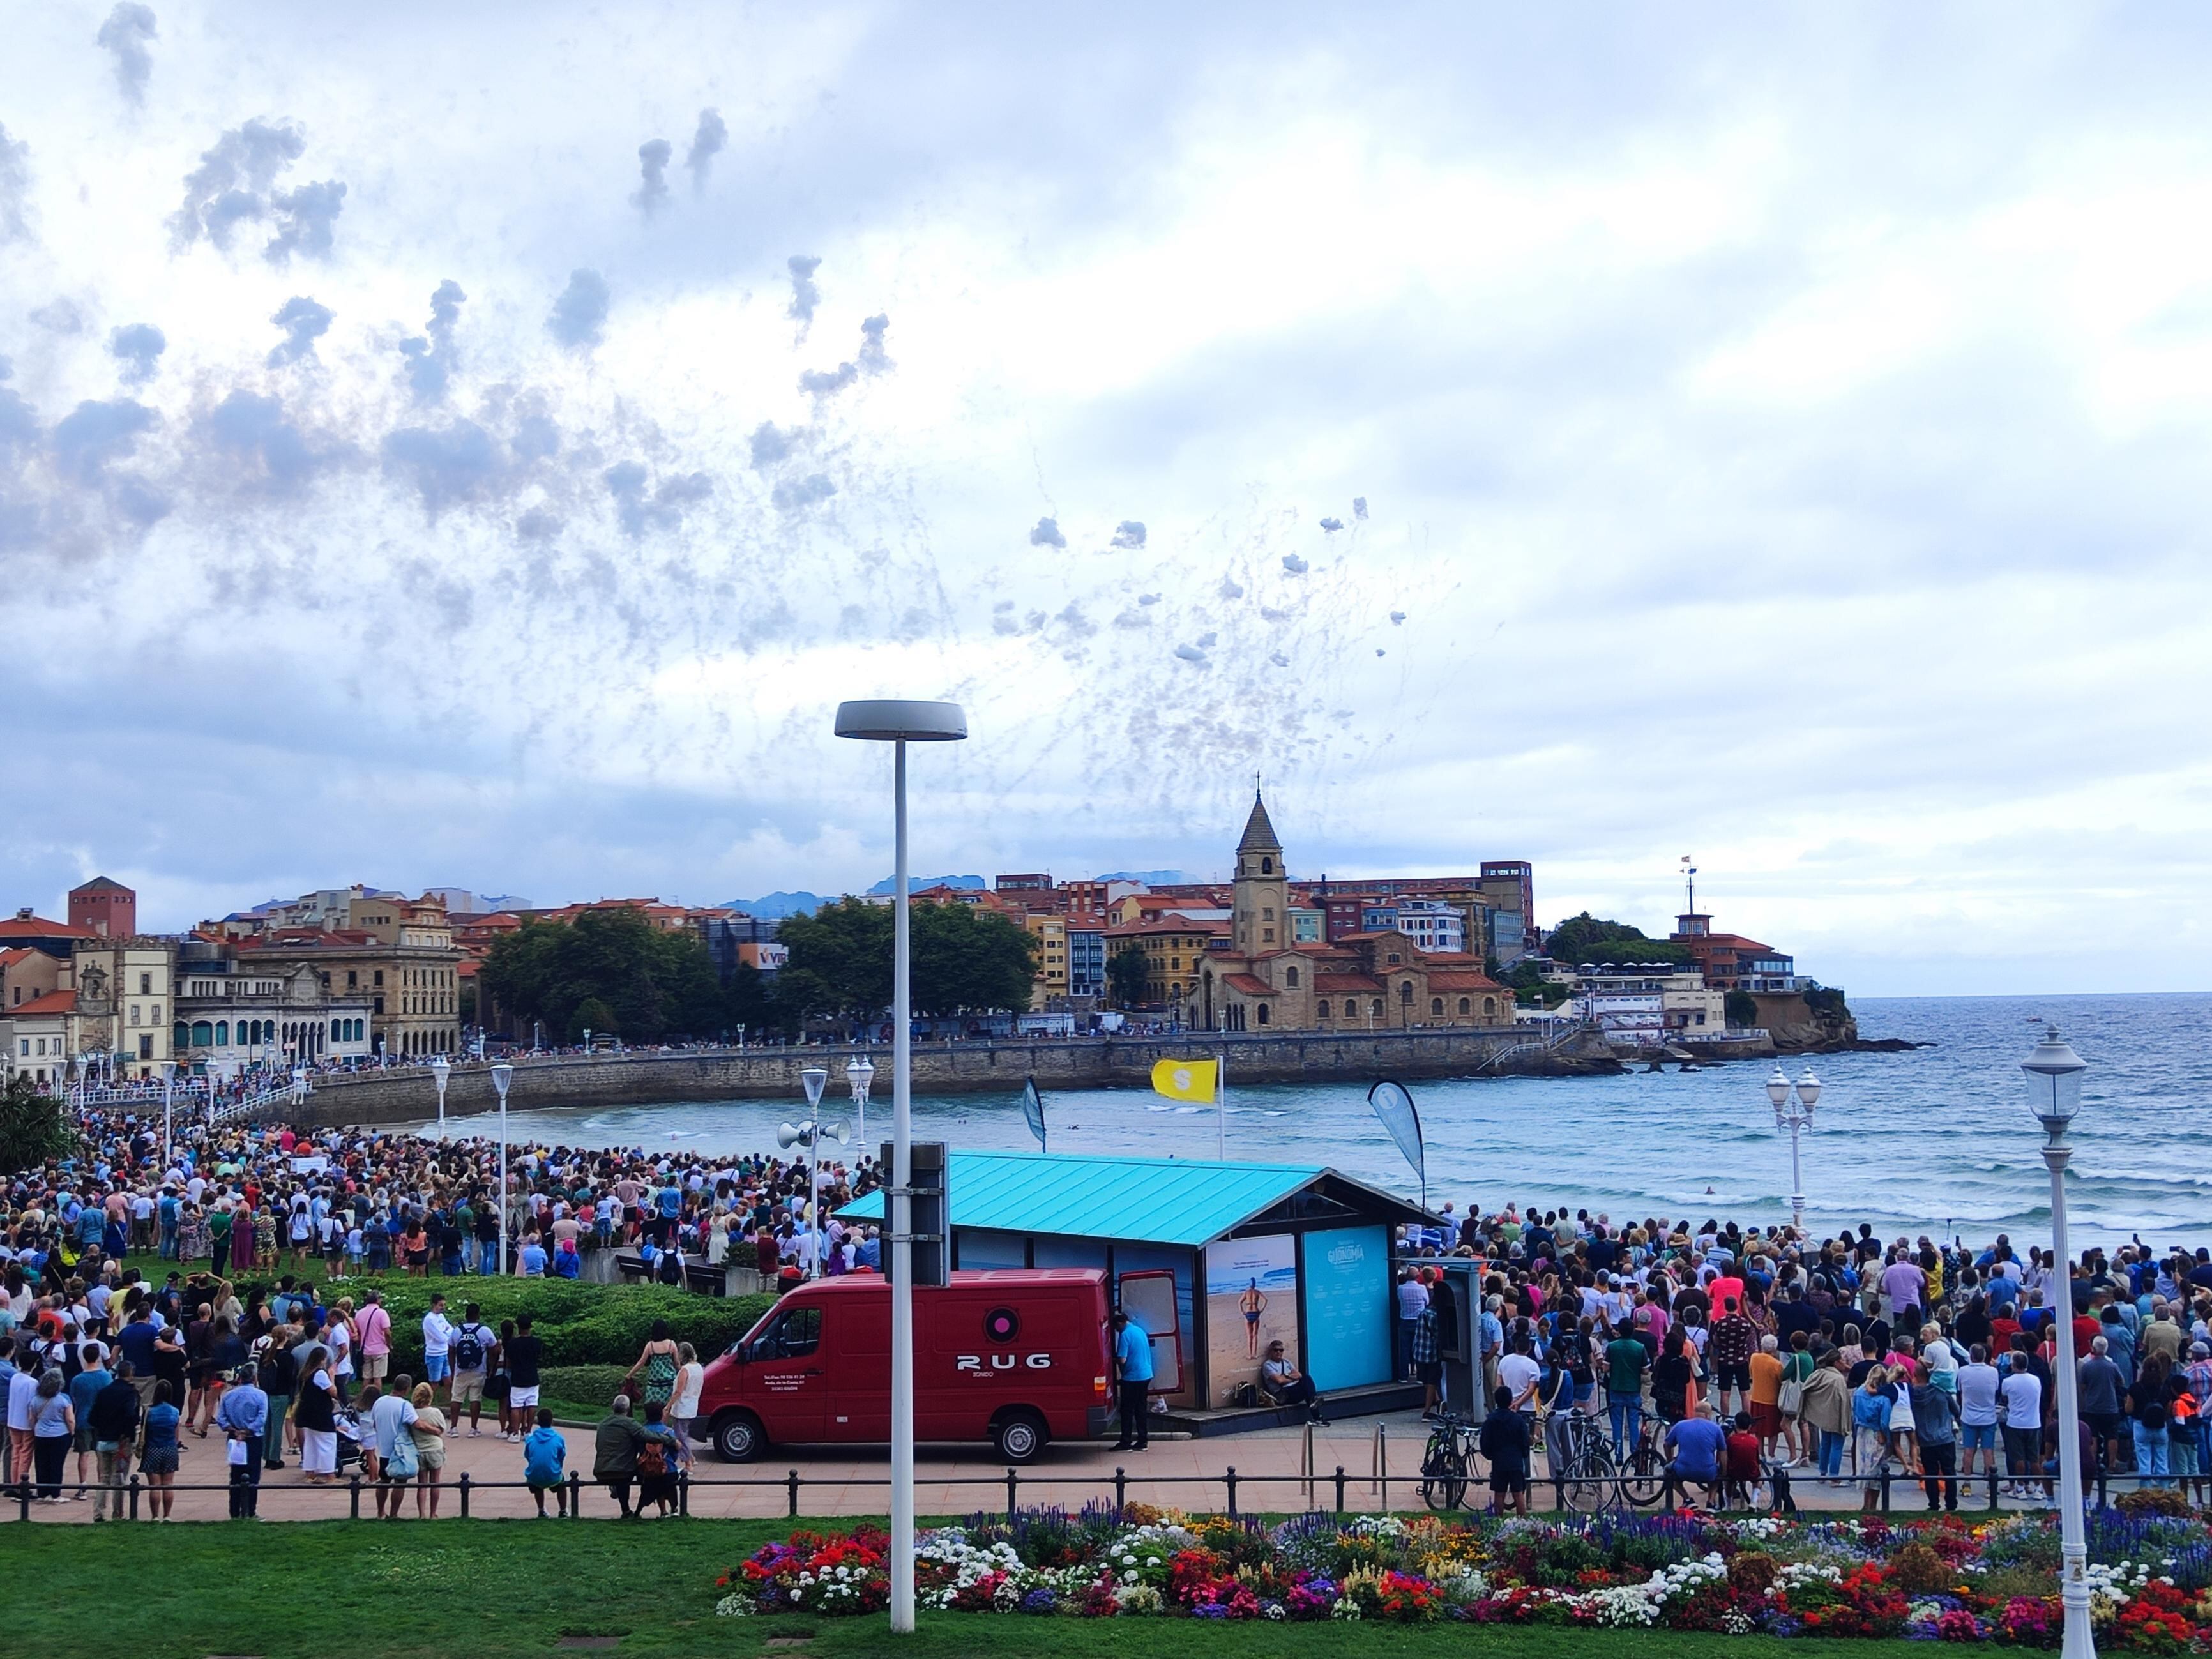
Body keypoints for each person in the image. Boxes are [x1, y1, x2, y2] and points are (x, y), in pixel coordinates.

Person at [89, 1360, 142, 1522]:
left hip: (103, 1440)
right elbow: (129, 1415)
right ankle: (117, 1514)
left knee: (103, 1478)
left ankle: (98, 1512)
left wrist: (103, 1428)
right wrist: (128, 1430)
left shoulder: (104, 1392)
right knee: (118, 1479)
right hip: (121, 1443)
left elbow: (92, 1417)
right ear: (131, 1374)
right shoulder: (130, 1393)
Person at [213, 1360, 268, 1519]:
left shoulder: (229, 1395)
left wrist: (235, 1431)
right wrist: (247, 1431)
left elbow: (221, 1419)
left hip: (234, 1438)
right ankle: (250, 1511)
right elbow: (261, 1418)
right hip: (253, 1439)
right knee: (253, 1474)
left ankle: (235, 1511)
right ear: (255, 1377)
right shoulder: (260, 1395)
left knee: (236, 1475)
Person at [368, 1374, 420, 1518]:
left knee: (383, 1481)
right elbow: (417, 1423)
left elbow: (374, 1423)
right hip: (399, 1451)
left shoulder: (379, 1402)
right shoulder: (405, 1406)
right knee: (400, 1483)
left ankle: (380, 1513)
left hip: (384, 1450)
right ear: (407, 1389)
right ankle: (394, 1514)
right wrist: (434, 1429)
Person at [1476, 1383, 1531, 1515]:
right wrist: (1524, 1454)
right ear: (1511, 1401)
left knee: (1499, 1494)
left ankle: (1498, 1520)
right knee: (1518, 1494)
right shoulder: (1518, 1420)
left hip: (1499, 1460)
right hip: (1516, 1460)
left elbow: (1485, 1441)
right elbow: (1525, 1441)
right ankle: (1522, 1522)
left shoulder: (1491, 1420)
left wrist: (1490, 1455)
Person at [1999, 1351, 2046, 1500]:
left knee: (2018, 1458)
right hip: (2033, 1422)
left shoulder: (2008, 1382)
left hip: (2015, 1423)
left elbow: (2004, 1397)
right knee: (2034, 1458)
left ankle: (2020, 1488)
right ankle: (2038, 1488)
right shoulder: (2036, 1380)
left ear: (2013, 1365)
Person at [1799, 1349, 1851, 1481]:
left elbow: (1806, 1389)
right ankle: (1834, 1477)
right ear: (1836, 1362)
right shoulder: (1838, 1379)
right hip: (1837, 1416)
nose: (1844, 1364)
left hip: (1823, 1416)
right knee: (1837, 1446)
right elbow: (1843, 1400)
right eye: (1842, 1361)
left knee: (1825, 1444)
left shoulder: (1819, 1374)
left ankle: (1822, 1473)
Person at [594, 1393, 649, 1518]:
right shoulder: (630, 1423)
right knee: (624, 1476)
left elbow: (598, 1446)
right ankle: (627, 1510)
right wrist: (671, 1440)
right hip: (624, 1471)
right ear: (628, 1409)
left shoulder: (602, 1424)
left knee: (620, 1472)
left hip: (601, 1469)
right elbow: (647, 1436)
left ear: (613, 1407)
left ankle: (616, 1489)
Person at [1663, 1402, 1728, 1506]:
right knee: (1717, 1476)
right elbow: (1723, 1452)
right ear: (1708, 1415)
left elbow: (1667, 1444)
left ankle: (1687, 1499)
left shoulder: (1680, 1425)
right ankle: (1711, 1501)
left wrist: (1670, 1460)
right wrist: (1724, 1472)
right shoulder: (1716, 1429)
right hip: (1708, 1472)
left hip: (1683, 1471)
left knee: (1668, 1472)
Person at [1110, 1310, 1154, 1451]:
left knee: (1127, 1410)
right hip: (1146, 1374)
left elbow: (1122, 1359)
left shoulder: (1125, 1335)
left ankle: (1126, 1442)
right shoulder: (1138, 1330)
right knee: (1141, 1409)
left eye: (1116, 1327)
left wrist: (1112, 1360)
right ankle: (1142, 1441)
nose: (1116, 1330)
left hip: (1132, 1377)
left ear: (1120, 1323)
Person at [139, 1379, 181, 1519]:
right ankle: (167, 1515)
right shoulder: (174, 1412)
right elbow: (176, 1437)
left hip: (152, 1449)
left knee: (154, 1486)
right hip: (169, 1449)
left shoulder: (149, 1411)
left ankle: (155, 1516)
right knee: (168, 1484)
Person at [31, 1369, 75, 1503]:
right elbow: (70, 1419)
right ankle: (56, 1494)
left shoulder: (36, 1399)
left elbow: (32, 1419)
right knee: (57, 1464)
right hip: (60, 1434)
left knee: (41, 1464)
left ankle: (42, 1492)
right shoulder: (64, 1399)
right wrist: (72, 1432)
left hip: (41, 1434)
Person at [296, 1348, 339, 1484]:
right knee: (328, 1442)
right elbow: (333, 1392)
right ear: (322, 1359)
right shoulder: (320, 1373)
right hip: (320, 1414)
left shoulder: (306, 1373)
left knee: (311, 1444)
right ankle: (330, 1475)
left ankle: (310, 1473)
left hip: (308, 1414)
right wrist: (332, 1376)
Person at [450, 1301, 492, 1436]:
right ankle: (473, 1428)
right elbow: (495, 1348)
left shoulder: (457, 1331)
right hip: (479, 1370)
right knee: (475, 1398)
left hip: (460, 1370)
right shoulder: (484, 1330)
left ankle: (454, 1428)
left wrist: (452, 1369)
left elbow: (451, 1350)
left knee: (457, 1398)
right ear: (478, 1315)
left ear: (466, 1315)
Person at [638, 1398, 685, 1515]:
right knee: (670, 1482)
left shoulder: (641, 1432)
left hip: (647, 1472)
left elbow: (640, 1449)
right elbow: (674, 1453)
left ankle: (663, 1511)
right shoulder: (668, 1431)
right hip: (668, 1470)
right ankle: (674, 1509)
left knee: (656, 1484)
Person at [623, 1319, 681, 1413]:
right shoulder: (671, 1344)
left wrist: (630, 1374)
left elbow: (641, 1362)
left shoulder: (650, 1345)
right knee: (668, 1409)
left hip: (654, 1383)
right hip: (669, 1382)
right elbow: (677, 1363)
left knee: (653, 1408)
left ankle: (654, 1424)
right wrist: (683, 1372)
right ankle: (665, 1424)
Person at [409, 1382, 450, 1517]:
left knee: (422, 1484)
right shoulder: (435, 1412)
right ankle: (433, 1513)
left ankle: (422, 1514)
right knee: (435, 1482)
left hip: (419, 1450)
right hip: (435, 1449)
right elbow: (442, 1429)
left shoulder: (412, 1413)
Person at [1260, 1339, 1322, 1420]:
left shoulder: (1286, 1362)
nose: (1278, 1352)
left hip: (1294, 1389)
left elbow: (1299, 1375)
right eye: (1276, 1350)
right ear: (1271, 1352)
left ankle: (1315, 1406)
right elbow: (1279, 1381)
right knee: (1307, 1391)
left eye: (1281, 1350)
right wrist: (1292, 1378)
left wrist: (1285, 1376)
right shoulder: (1268, 1365)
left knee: (1307, 1379)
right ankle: (1317, 1416)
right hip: (1283, 1394)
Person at [504, 1314, 543, 1442]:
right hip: (532, 1376)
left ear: (518, 1326)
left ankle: (515, 1433)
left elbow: (509, 1361)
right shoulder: (537, 1342)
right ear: (531, 1326)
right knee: (532, 1404)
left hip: (518, 1378)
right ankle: (528, 1431)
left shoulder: (513, 1344)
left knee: (516, 1406)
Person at [524, 1406, 568, 1516]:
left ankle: (541, 1510)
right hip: (553, 1475)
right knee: (562, 1483)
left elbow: (528, 1456)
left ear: (537, 1422)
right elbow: (561, 1456)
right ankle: (563, 1511)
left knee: (537, 1481)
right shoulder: (558, 1438)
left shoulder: (530, 1439)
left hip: (534, 1475)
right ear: (552, 1421)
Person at [670, 1342, 705, 1450]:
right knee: (684, 1434)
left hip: (682, 1408)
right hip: (692, 1406)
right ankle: (688, 1458)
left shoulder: (685, 1370)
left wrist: (668, 1406)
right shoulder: (699, 1367)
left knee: (681, 1436)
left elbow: (679, 1391)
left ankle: (689, 1460)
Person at [421, 1294, 454, 1403]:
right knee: (434, 1383)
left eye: (444, 1305)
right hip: (434, 1355)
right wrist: (446, 1333)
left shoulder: (441, 1317)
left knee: (448, 1381)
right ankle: (427, 1404)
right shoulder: (429, 1320)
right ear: (434, 1305)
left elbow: (451, 1329)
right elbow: (440, 1337)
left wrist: (446, 1333)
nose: (443, 1307)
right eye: (441, 1305)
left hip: (445, 1353)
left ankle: (449, 1404)